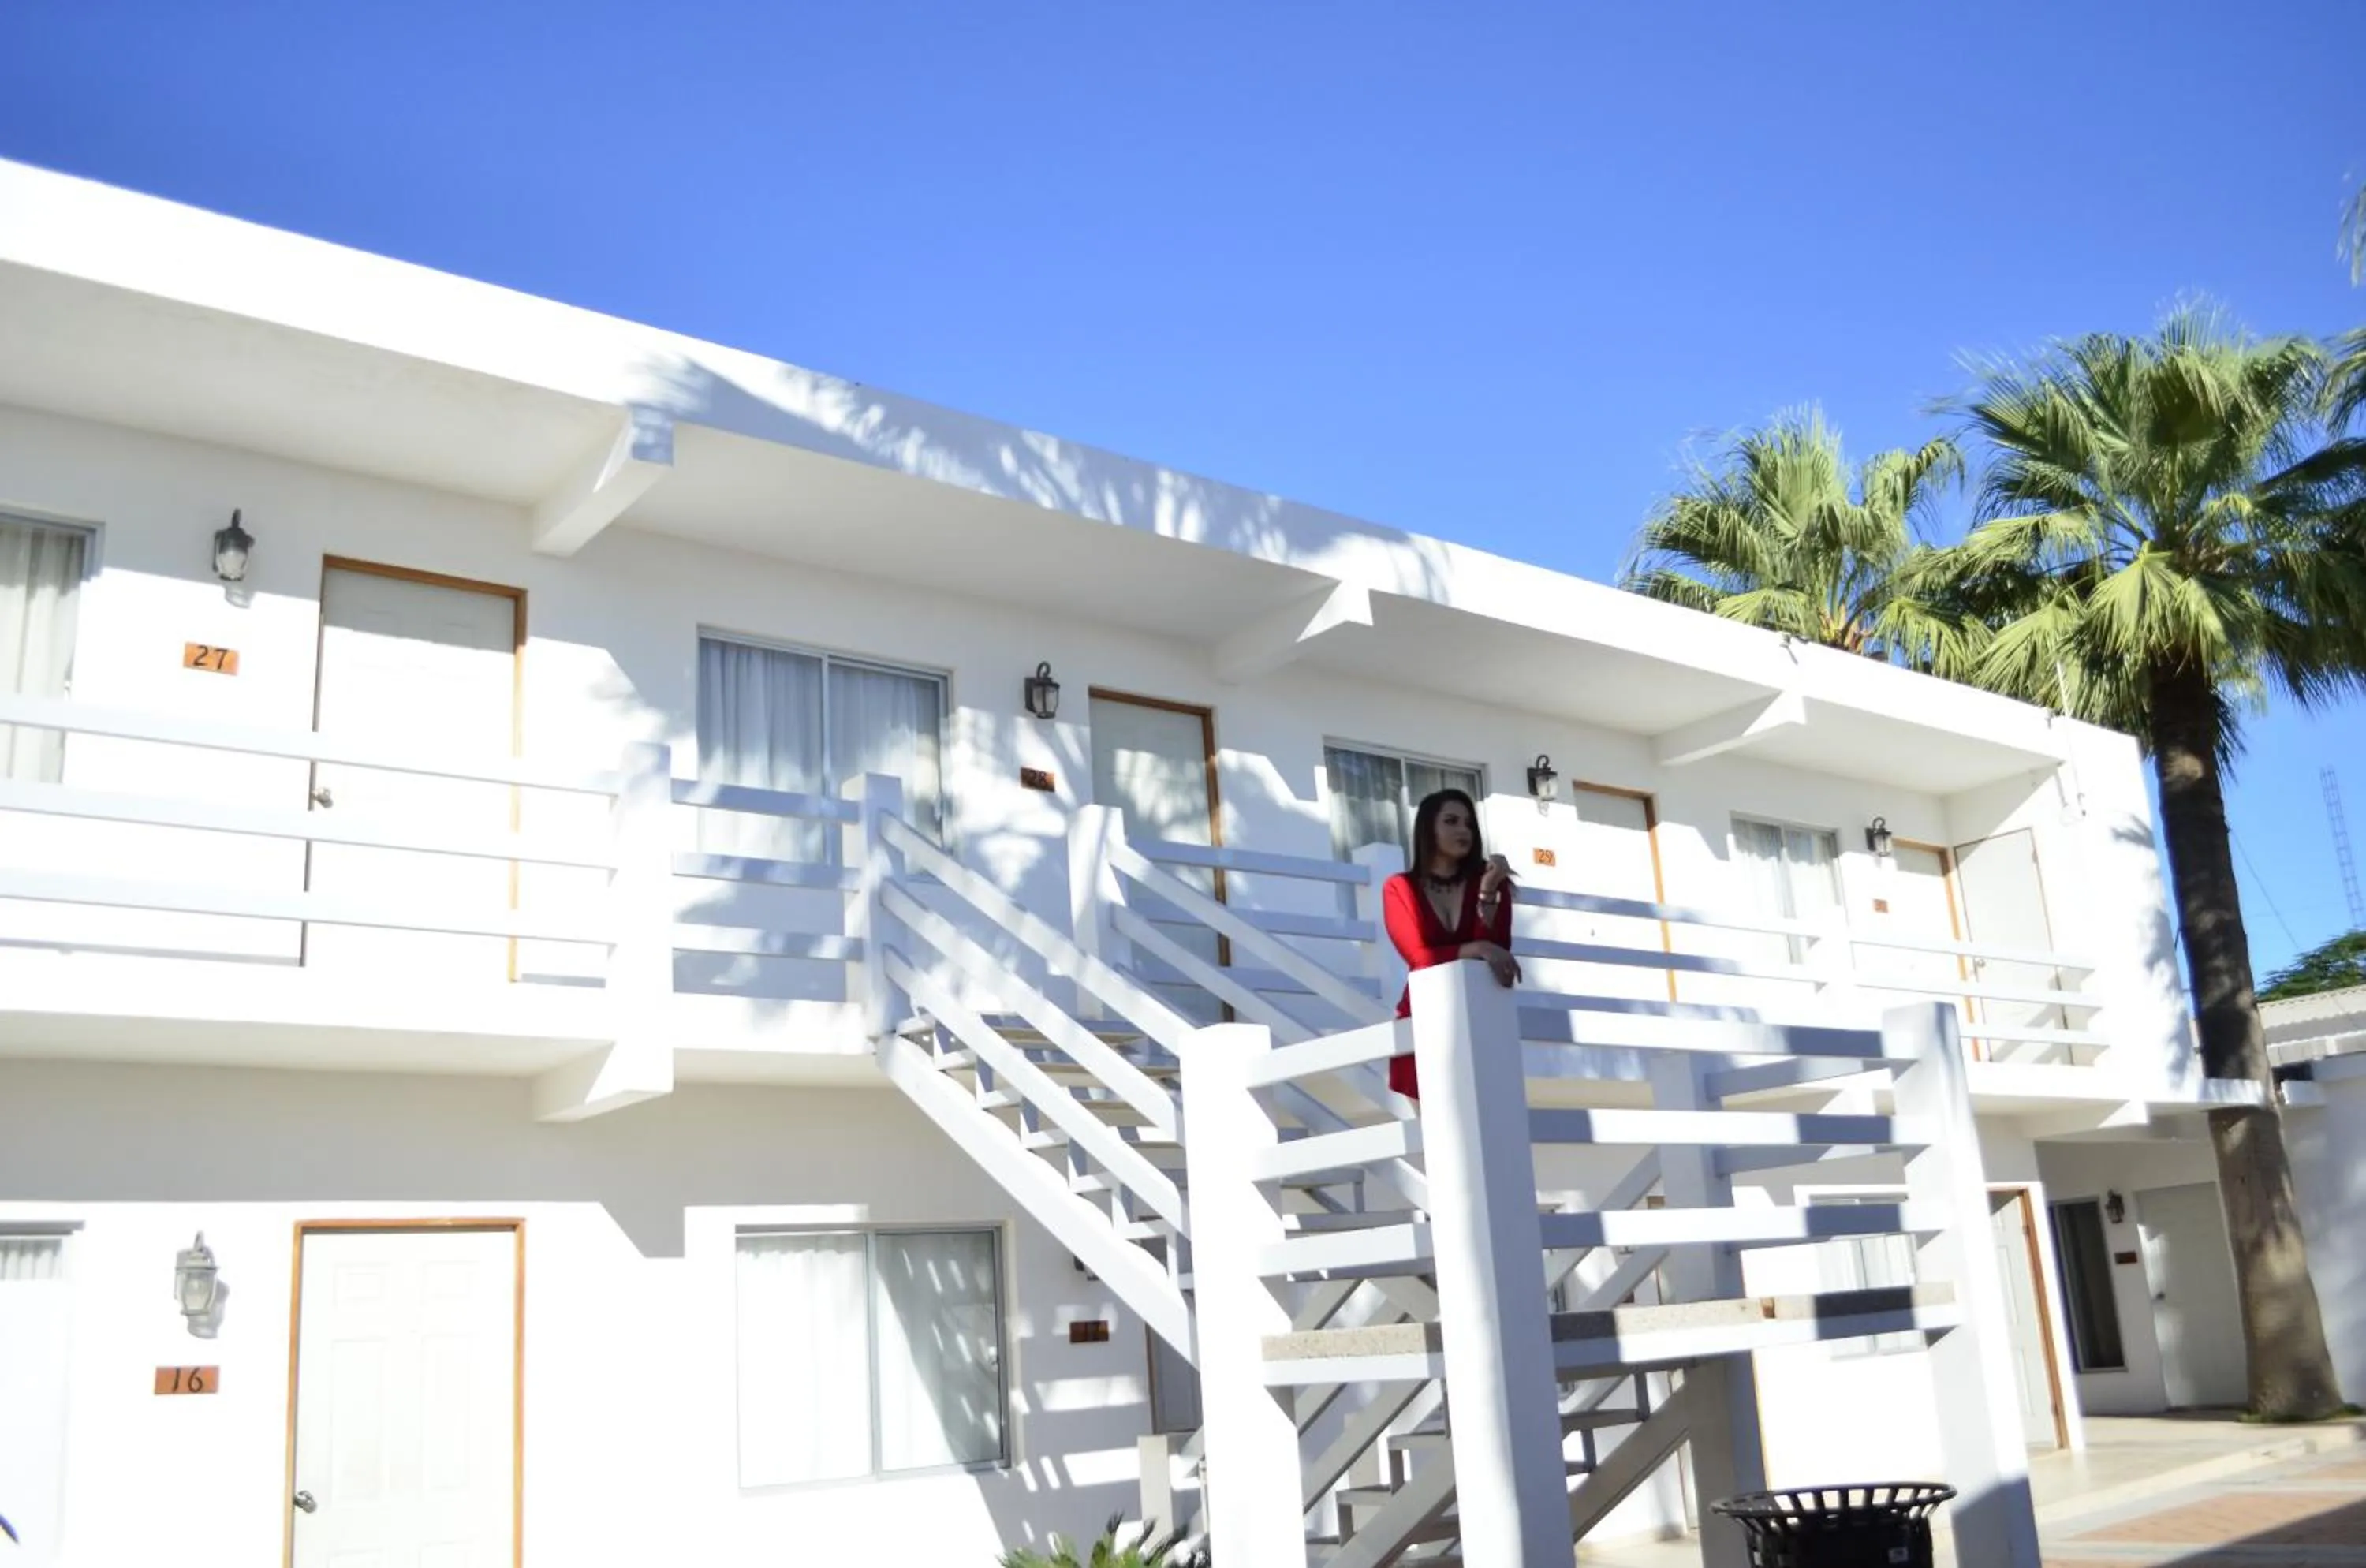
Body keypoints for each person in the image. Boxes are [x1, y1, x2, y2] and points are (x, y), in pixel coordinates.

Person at [1382, 787, 1520, 1099]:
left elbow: (1498, 948)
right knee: (1435, 1126)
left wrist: (1487, 891)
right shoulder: (1399, 888)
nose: (1463, 830)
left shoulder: (1492, 884)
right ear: (1429, 828)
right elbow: (1418, 958)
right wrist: (1475, 949)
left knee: (1492, 1116)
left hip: (1481, 1016)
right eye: (1451, 821)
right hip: (1423, 1018)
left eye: (1469, 824)